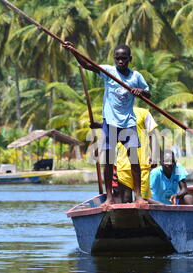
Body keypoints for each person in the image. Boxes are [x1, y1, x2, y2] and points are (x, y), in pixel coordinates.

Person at [63, 41, 151, 208]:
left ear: (129, 59)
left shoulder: (136, 77)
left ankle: (138, 196)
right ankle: (109, 197)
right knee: (109, 161)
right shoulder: (108, 72)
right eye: (117, 58)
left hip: (128, 122)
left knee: (134, 160)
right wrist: (73, 50)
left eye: (123, 58)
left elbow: (148, 94)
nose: (120, 62)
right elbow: (86, 64)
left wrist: (141, 92)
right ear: (114, 59)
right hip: (110, 122)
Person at [89, 107, 161, 203]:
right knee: (126, 200)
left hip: (142, 165)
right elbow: (110, 132)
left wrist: (154, 157)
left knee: (142, 201)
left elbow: (152, 135)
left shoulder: (144, 113)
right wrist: (99, 125)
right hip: (122, 165)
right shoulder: (116, 112)